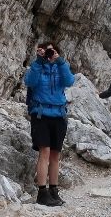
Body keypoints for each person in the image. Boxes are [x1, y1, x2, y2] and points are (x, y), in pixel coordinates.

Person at [24, 42, 75, 206]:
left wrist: (60, 61)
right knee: (44, 152)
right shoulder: (37, 67)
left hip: (59, 116)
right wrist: (39, 61)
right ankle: (42, 192)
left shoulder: (61, 67)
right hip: (41, 115)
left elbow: (69, 81)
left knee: (55, 155)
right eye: (47, 52)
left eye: (52, 51)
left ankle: (54, 190)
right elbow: (30, 82)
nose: (49, 54)